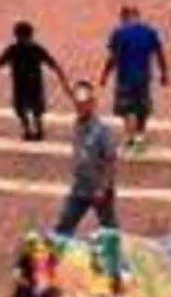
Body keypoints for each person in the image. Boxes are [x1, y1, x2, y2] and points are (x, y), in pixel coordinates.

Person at [0, 20, 71, 141]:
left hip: (21, 84)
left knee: (23, 108)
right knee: (33, 108)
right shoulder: (35, 48)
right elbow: (52, 63)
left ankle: (30, 130)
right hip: (32, 83)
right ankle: (35, 130)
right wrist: (61, 76)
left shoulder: (14, 49)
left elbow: (0, 62)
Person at [54, 82, 119, 237]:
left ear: (92, 103)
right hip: (80, 186)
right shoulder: (77, 125)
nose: (80, 108)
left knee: (109, 228)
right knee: (65, 222)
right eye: (78, 104)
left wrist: (103, 187)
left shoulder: (102, 131)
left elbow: (111, 160)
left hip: (98, 188)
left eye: (84, 104)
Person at [101, 5, 167, 153]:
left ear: (124, 17)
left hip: (125, 76)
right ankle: (140, 136)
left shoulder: (119, 33)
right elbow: (159, 53)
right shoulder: (149, 32)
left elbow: (113, 57)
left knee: (125, 106)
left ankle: (129, 135)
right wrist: (164, 73)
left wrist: (105, 74)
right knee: (142, 106)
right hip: (143, 76)